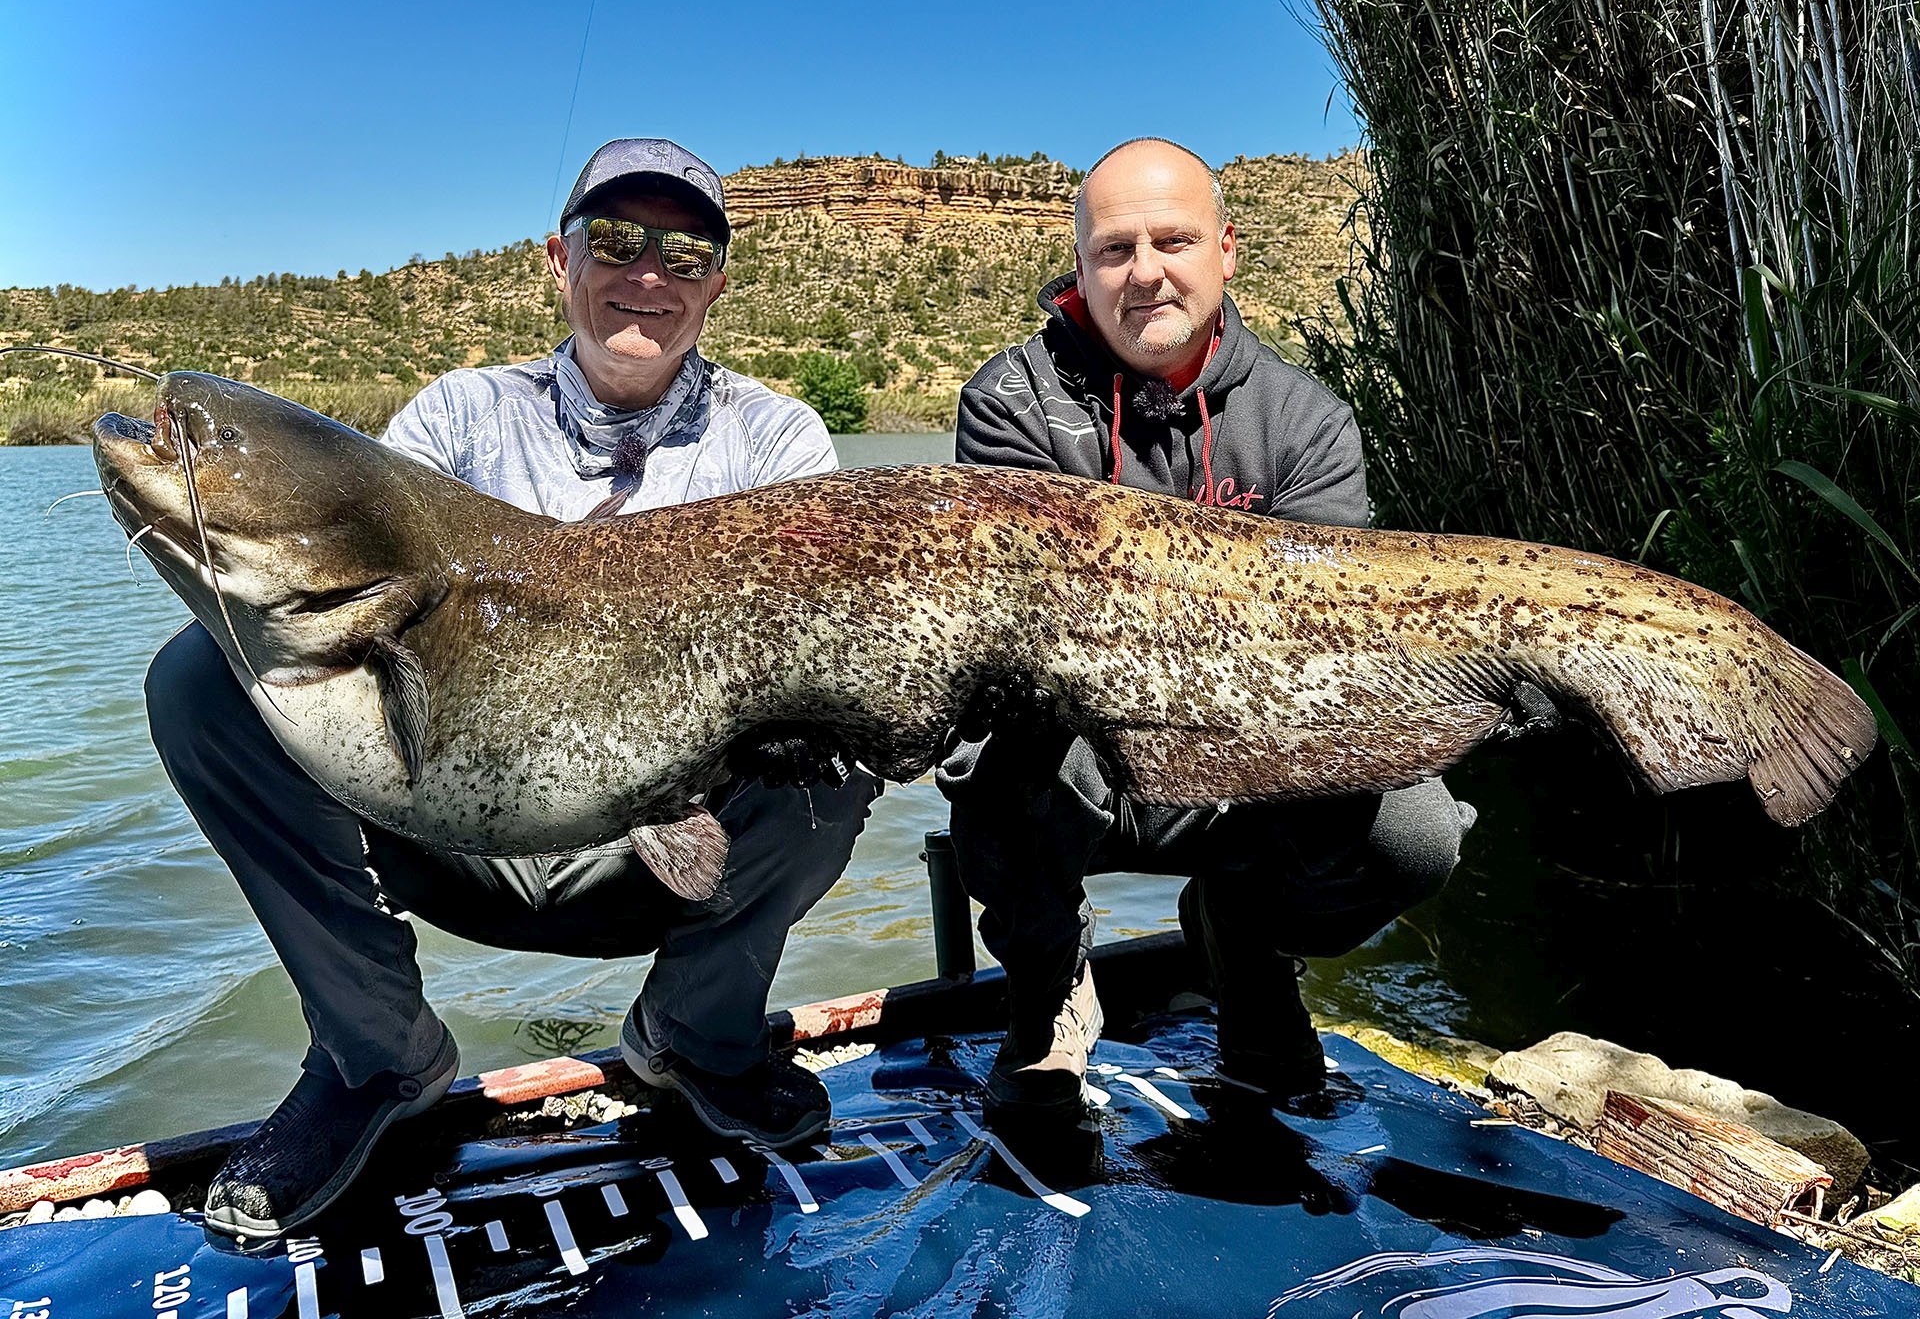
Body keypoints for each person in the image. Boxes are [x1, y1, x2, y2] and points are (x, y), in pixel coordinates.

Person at [146, 138, 879, 1241]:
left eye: (684, 255)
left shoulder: (776, 438)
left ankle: (697, 1033)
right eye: (618, 242)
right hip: (444, 825)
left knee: (848, 729)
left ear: (717, 284)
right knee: (203, 679)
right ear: (559, 257)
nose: (648, 277)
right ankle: (375, 1056)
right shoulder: (453, 420)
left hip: (664, 854)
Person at [939, 137, 1494, 1125]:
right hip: (1078, 752)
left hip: (1251, 752)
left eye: (1172, 240)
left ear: (1226, 251)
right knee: (996, 756)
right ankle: (1049, 992)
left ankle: (1245, 943)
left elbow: (1322, 649)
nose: (1144, 271)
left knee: (1413, 832)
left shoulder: (1306, 421)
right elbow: (1032, 638)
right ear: (1080, 266)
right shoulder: (1009, 405)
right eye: (1114, 249)